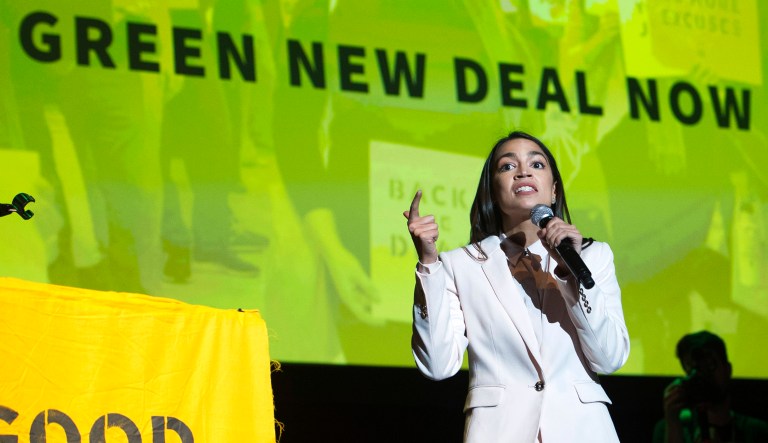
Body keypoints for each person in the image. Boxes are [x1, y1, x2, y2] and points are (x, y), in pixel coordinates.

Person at [404, 130, 630, 442]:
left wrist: (570, 269)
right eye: (507, 167)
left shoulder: (592, 255)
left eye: (536, 165)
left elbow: (609, 357)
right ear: (493, 193)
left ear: (553, 190)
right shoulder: (461, 265)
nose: (523, 171)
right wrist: (429, 263)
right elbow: (438, 366)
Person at [653, 331, 768, 443]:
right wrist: (673, 424)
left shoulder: (757, 432)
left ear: (727, 369)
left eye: (709, 366)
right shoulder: (670, 429)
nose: (702, 376)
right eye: (693, 369)